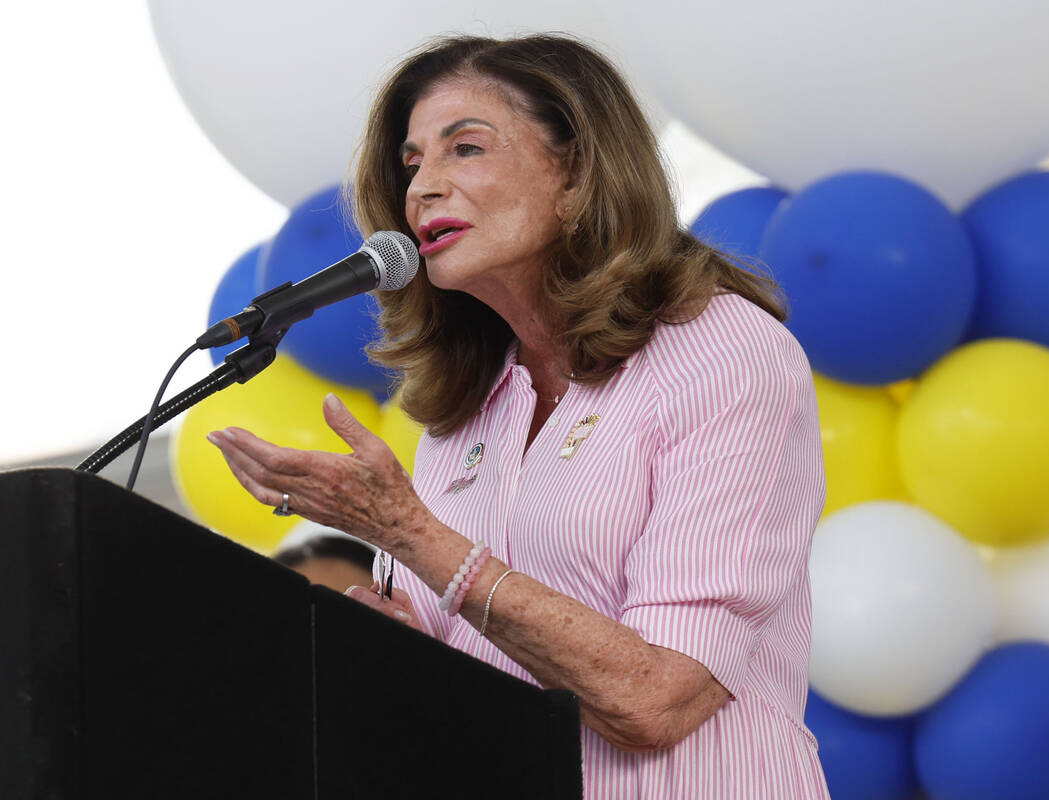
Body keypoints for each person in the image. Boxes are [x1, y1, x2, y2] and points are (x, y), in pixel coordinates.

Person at [207, 33, 830, 798]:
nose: (423, 190)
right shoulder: (462, 409)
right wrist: (386, 646)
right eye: (411, 165)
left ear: (576, 175)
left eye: (464, 149)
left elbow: (655, 699)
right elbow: (468, 677)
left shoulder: (723, 354)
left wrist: (411, 535)